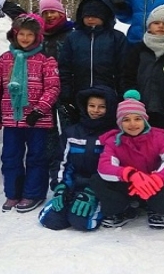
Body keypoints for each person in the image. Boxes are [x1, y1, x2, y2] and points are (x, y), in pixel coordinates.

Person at [0, 14, 59, 213]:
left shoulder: (46, 59)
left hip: (37, 119)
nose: (25, 38)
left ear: (37, 37)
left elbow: (53, 88)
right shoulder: (5, 59)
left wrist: (40, 109)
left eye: (30, 34)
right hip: (12, 119)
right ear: (15, 34)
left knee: (37, 157)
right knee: (11, 157)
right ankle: (13, 192)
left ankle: (33, 193)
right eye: (22, 34)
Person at [92, 90, 164, 229]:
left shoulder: (157, 137)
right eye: (126, 120)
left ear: (144, 120)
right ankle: (122, 209)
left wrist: (158, 178)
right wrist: (130, 175)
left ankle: (156, 209)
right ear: (120, 123)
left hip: (153, 186)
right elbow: (104, 166)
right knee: (97, 179)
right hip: (128, 186)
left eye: (137, 119)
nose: (132, 124)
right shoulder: (113, 141)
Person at [38, 85, 118, 231]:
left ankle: (98, 206)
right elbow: (61, 162)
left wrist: (94, 191)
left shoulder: (114, 135)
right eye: (91, 106)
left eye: (101, 107)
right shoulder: (72, 132)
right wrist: (61, 187)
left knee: (81, 222)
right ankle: (68, 201)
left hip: (97, 189)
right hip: (72, 186)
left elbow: (113, 170)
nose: (95, 110)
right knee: (51, 220)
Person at [58, 0, 126, 124]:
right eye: (87, 15)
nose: (90, 19)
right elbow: (64, 68)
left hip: (109, 95)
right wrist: (66, 93)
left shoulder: (117, 38)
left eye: (95, 15)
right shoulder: (73, 38)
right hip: (79, 94)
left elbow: (124, 69)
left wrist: (122, 93)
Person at [121, 4, 164, 131]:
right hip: (140, 110)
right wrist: (131, 95)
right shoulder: (138, 49)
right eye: (156, 22)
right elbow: (127, 75)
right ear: (149, 25)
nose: (161, 26)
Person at [38, 0, 76, 186]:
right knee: (49, 133)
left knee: (69, 130)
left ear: (61, 12)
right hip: (44, 92)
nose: (50, 16)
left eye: (53, 12)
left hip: (67, 90)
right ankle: (54, 173)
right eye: (45, 13)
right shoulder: (39, 36)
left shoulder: (72, 33)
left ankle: (70, 169)